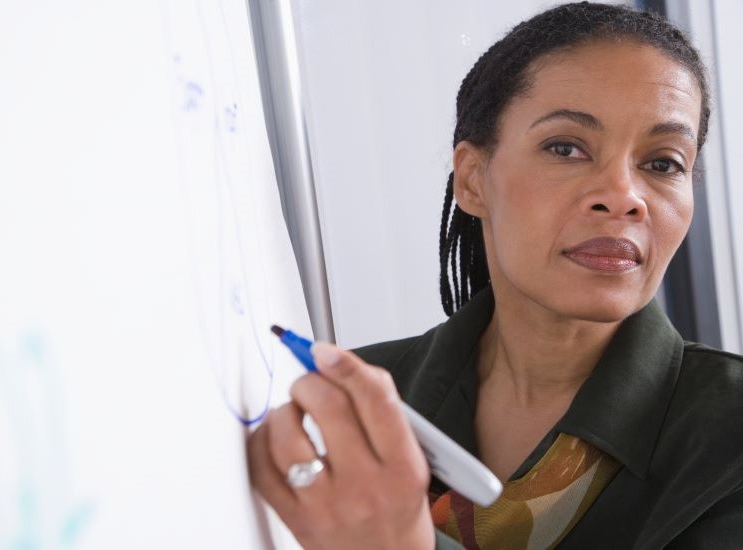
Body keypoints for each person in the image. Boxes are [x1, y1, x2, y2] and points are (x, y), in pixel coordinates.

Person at [247, 2, 743, 548]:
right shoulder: (343, 406)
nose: (623, 197)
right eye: (567, 148)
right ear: (473, 181)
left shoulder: (728, 433)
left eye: (663, 163)